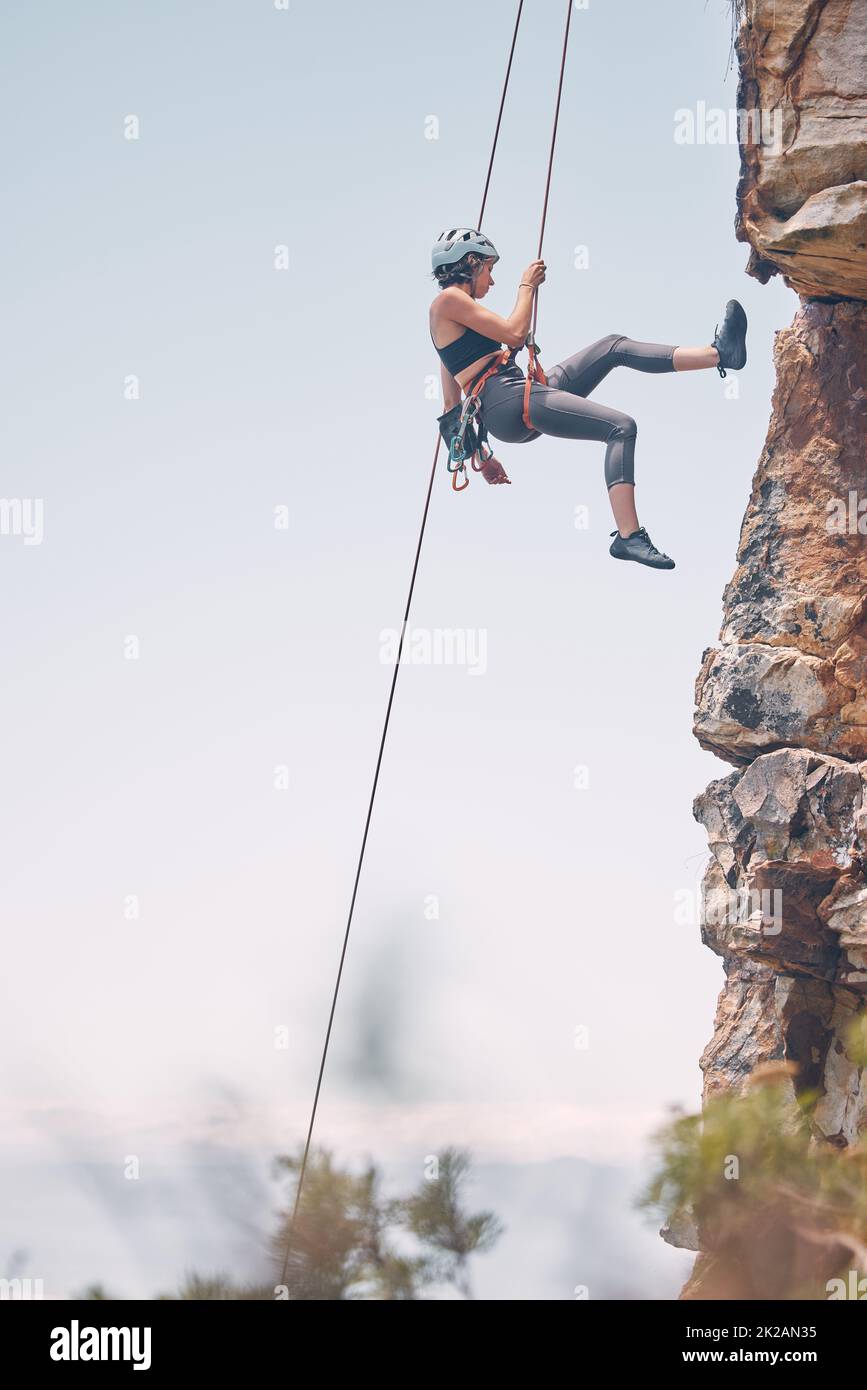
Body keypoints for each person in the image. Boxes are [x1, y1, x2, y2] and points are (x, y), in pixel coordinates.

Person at [429, 228, 747, 570]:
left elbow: (450, 408)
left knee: (614, 346)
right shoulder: (448, 300)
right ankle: (629, 537)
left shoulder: (454, 315)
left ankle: (719, 354)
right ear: (471, 262)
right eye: (489, 270)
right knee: (621, 427)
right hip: (506, 401)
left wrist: (483, 458)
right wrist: (527, 285)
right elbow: (515, 332)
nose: (491, 282)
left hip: (516, 394)